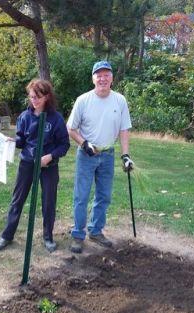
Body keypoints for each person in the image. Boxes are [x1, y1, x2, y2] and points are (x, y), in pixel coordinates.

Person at [0, 79, 70, 253]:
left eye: (38, 97)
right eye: (32, 96)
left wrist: (50, 157)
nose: (34, 100)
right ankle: (7, 236)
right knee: (17, 200)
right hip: (27, 163)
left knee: (49, 201)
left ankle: (48, 237)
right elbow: (22, 140)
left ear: (47, 97)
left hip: (49, 166)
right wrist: (13, 141)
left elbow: (64, 145)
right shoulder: (24, 116)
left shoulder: (56, 119)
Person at [67, 61, 134, 254]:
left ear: (112, 78)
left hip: (108, 155)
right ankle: (78, 235)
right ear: (93, 78)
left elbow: (124, 129)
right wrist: (84, 143)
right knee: (82, 196)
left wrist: (126, 155)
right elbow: (70, 128)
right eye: (99, 75)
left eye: (106, 75)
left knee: (104, 196)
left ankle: (95, 231)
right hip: (87, 155)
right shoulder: (83, 100)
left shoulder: (119, 100)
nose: (103, 78)